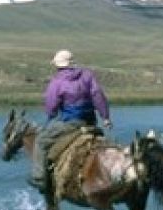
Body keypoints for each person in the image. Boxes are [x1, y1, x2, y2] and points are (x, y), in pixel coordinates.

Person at [28, 49, 112, 192]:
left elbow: (51, 104)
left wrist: (51, 114)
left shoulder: (57, 81)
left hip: (70, 123)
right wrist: (105, 117)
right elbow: (98, 95)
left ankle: (39, 178)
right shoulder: (87, 75)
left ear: (57, 65)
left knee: (41, 141)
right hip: (90, 122)